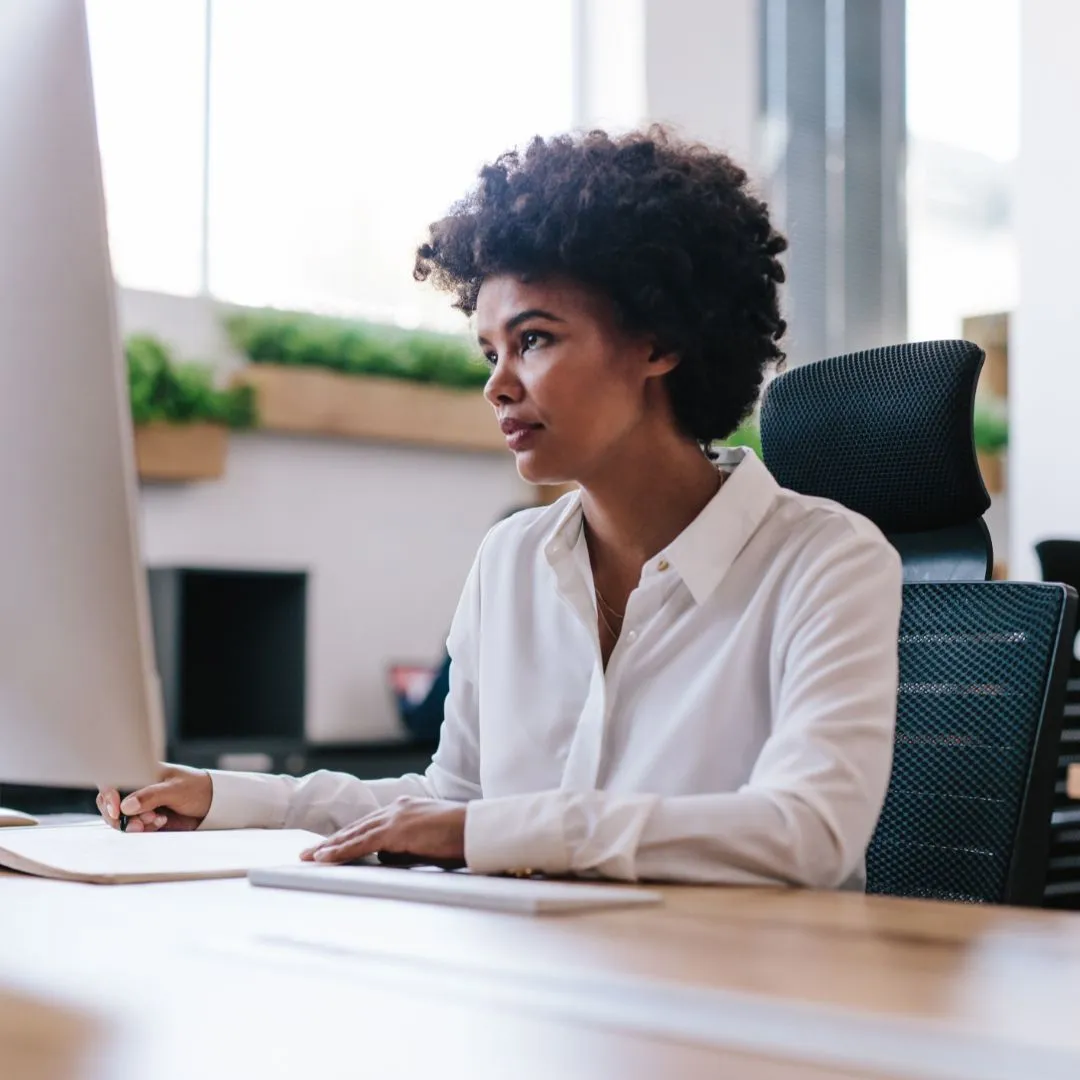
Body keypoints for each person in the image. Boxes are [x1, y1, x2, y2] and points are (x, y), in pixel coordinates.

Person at [99, 128, 902, 889]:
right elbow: (452, 802)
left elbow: (808, 833)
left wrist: (496, 832)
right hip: (550, 985)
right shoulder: (512, 559)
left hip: (758, 996)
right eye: (491, 352)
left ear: (659, 343)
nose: (497, 384)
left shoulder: (827, 560)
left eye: (535, 340)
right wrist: (230, 800)